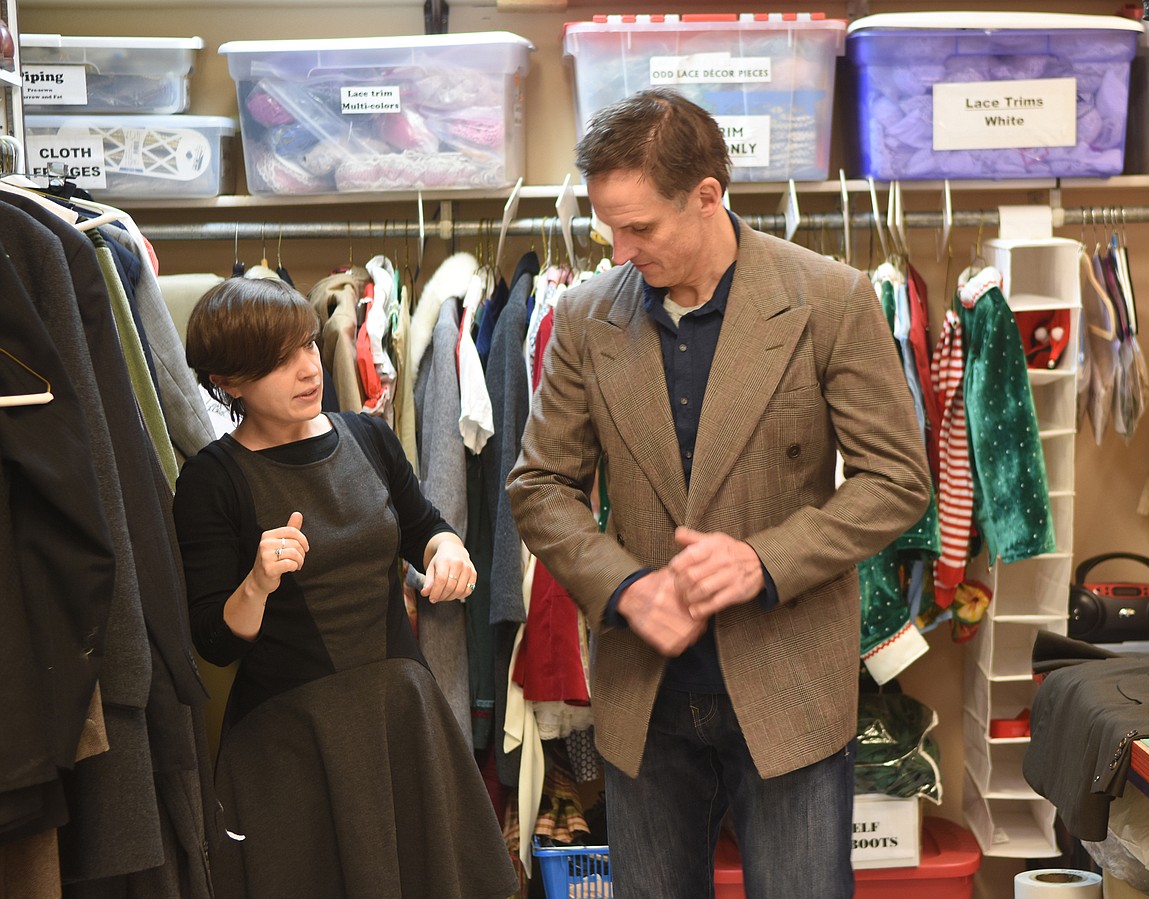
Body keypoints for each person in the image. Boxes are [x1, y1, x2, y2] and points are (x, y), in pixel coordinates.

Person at [506, 88, 931, 899]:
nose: (621, 249)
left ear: (708, 197)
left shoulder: (830, 299)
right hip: (646, 693)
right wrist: (626, 587)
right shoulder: (587, 315)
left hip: (791, 680)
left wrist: (763, 561)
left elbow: (899, 480)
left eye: (641, 228)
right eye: (607, 227)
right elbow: (538, 486)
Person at [173, 277, 517, 899]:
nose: (309, 368)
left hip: (401, 717)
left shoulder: (368, 437)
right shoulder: (210, 480)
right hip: (293, 743)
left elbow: (426, 528)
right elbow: (213, 642)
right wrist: (257, 581)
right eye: (281, 361)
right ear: (230, 382)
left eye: (308, 345)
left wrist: (450, 552)